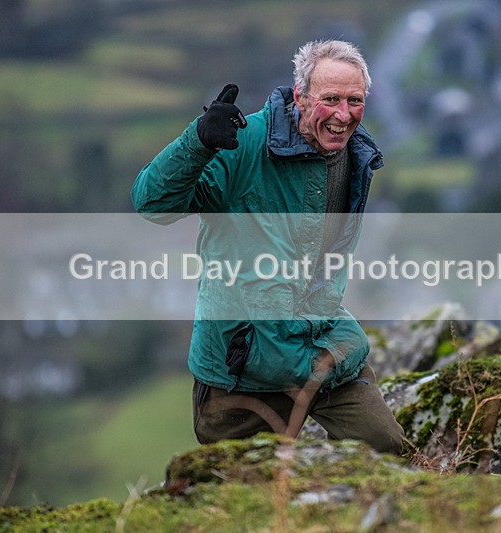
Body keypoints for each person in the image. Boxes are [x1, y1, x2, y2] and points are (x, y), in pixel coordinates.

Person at [131, 40, 406, 454]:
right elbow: (151, 203)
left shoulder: (358, 153)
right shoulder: (242, 143)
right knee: (236, 496)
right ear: (299, 96)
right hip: (244, 366)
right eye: (330, 99)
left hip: (324, 345)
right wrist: (198, 142)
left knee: (388, 451)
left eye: (355, 100)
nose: (343, 114)